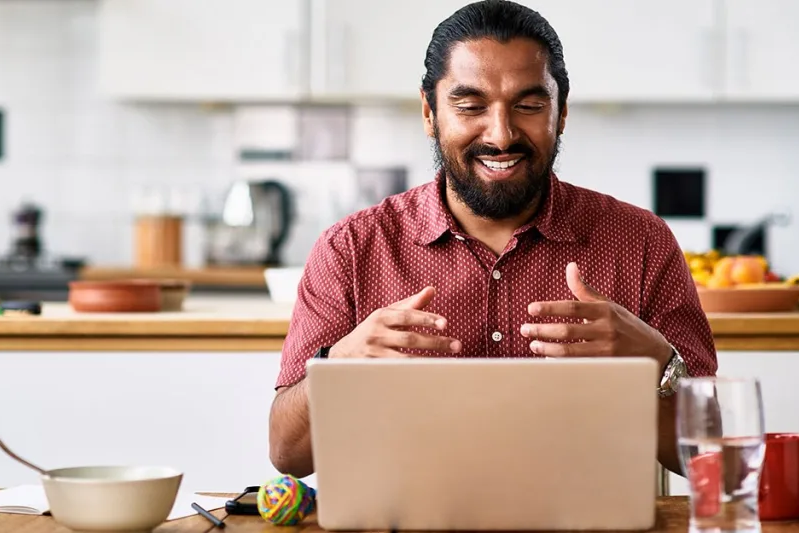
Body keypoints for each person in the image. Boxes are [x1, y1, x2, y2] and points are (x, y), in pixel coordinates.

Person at [267, 0, 717, 479]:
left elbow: (710, 458)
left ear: (561, 111)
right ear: (429, 111)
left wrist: (657, 361)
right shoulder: (351, 248)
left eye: (528, 105)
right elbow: (288, 454)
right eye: (470, 106)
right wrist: (338, 365)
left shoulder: (639, 242)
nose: (501, 135)